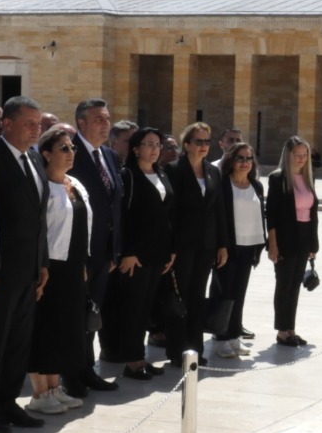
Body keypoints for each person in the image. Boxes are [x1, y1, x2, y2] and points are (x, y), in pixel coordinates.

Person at [0, 96, 47, 433]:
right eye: (29, 123)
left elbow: (38, 218)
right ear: (8, 123)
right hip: (1, 273)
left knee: (18, 343)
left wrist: (41, 263)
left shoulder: (33, 159)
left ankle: (7, 403)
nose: (36, 130)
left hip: (28, 270)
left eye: (39, 124)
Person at [26, 124, 94, 415]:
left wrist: (83, 263)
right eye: (63, 148)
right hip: (49, 267)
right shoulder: (41, 185)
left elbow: (83, 225)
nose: (70, 153)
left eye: (72, 148)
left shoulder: (75, 184)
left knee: (63, 329)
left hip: (72, 266)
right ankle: (39, 392)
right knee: (43, 327)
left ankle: (55, 387)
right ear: (46, 153)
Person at [104, 127, 173, 379]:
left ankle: (139, 356)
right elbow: (122, 217)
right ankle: (131, 360)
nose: (154, 149)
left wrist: (170, 251)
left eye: (157, 144)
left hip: (158, 254)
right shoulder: (128, 176)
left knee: (145, 309)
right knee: (132, 309)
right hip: (136, 256)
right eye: (148, 144)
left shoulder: (161, 174)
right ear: (135, 149)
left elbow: (166, 216)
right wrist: (128, 252)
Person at [64, 98, 123, 396]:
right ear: (82, 123)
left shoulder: (110, 157)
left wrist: (115, 251)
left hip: (104, 254)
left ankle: (88, 370)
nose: (105, 124)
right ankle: (72, 375)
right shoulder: (70, 154)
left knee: (92, 315)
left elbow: (114, 207)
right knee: (74, 316)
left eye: (107, 118)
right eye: (98, 119)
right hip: (79, 254)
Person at [164, 122, 220, 364]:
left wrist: (223, 244)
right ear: (186, 145)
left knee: (198, 296)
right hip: (183, 245)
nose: (204, 146)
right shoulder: (173, 171)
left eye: (207, 142)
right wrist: (172, 248)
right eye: (199, 141)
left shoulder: (213, 172)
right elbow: (170, 213)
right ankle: (177, 350)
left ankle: (195, 349)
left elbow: (219, 211)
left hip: (206, 245)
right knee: (181, 296)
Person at [206, 140, 265, 359]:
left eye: (249, 158)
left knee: (239, 294)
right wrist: (220, 246)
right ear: (231, 160)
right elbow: (218, 219)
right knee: (224, 293)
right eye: (240, 158)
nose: (245, 162)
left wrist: (261, 247)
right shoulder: (223, 185)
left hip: (249, 247)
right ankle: (220, 337)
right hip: (228, 248)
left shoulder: (256, 185)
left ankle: (233, 336)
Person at [264, 134, 321, 349]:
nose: (301, 159)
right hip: (286, 239)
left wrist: (314, 245)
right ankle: (281, 331)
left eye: (305, 155)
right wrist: (273, 244)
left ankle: (291, 329)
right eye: (297, 155)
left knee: (295, 286)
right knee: (284, 285)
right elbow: (272, 214)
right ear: (288, 155)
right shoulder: (278, 178)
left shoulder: (309, 177)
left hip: (304, 237)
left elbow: (313, 214)